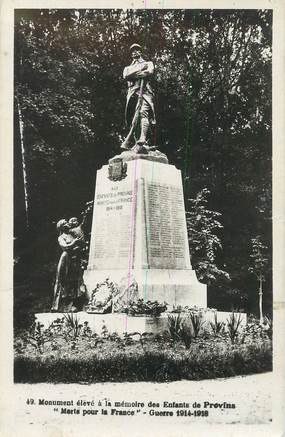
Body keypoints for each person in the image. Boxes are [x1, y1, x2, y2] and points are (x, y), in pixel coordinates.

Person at [121, 43, 156, 151]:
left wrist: (143, 73)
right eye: (132, 51)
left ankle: (143, 138)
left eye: (136, 50)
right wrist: (139, 71)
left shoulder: (148, 63)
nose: (134, 52)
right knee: (133, 118)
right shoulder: (128, 68)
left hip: (145, 92)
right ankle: (133, 139)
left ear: (140, 52)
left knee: (143, 112)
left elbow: (150, 72)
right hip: (132, 94)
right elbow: (126, 76)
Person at [51, 219, 85, 312]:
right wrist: (74, 243)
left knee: (74, 281)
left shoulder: (72, 234)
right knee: (64, 281)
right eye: (65, 223)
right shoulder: (61, 237)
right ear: (62, 227)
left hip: (74, 259)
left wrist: (78, 246)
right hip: (66, 260)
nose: (68, 224)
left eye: (67, 222)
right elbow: (65, 246)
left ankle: (73, 304)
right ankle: (62, 305)